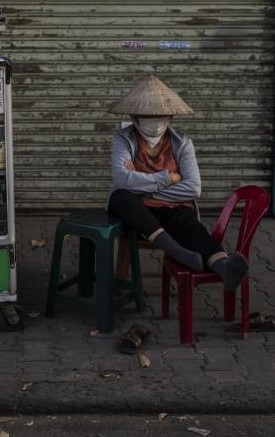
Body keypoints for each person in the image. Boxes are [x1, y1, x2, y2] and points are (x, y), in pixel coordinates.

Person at [106, 75, 248, 291]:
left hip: (174, 208)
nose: (155, 119)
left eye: (161, 114)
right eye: (147, 115)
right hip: (138, 212)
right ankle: (178, 252)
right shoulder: (123, 140)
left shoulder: (182, 142)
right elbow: (122, 180)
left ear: (170, 116)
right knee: (120, 196)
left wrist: (144, 188)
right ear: (135, 116)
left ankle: (223, 265)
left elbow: (193, 187)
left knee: (191, 226)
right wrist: (167, 178)